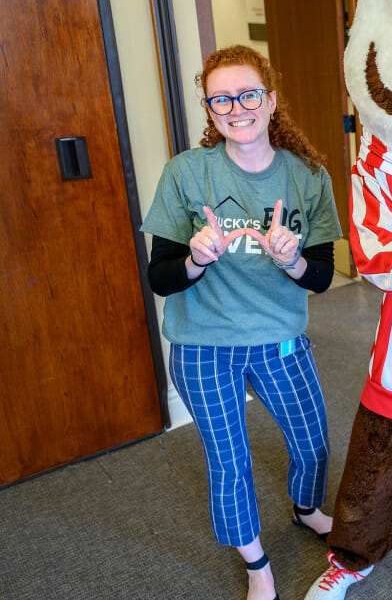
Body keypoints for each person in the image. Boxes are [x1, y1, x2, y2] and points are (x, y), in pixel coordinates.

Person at [141, 45, 343, 600]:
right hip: (205, 345)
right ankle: (256, 563)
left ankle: (305, 510)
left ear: (271, 100)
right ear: (210, 110)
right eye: (221, 99)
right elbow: (161, 278)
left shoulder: (308, 176)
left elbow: (322, 277)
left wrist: (291, 260)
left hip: (280, 338)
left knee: (313, 444)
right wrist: (196, 259)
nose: (237, 107)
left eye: (248, 94)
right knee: (229, 461)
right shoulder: (186, 173)